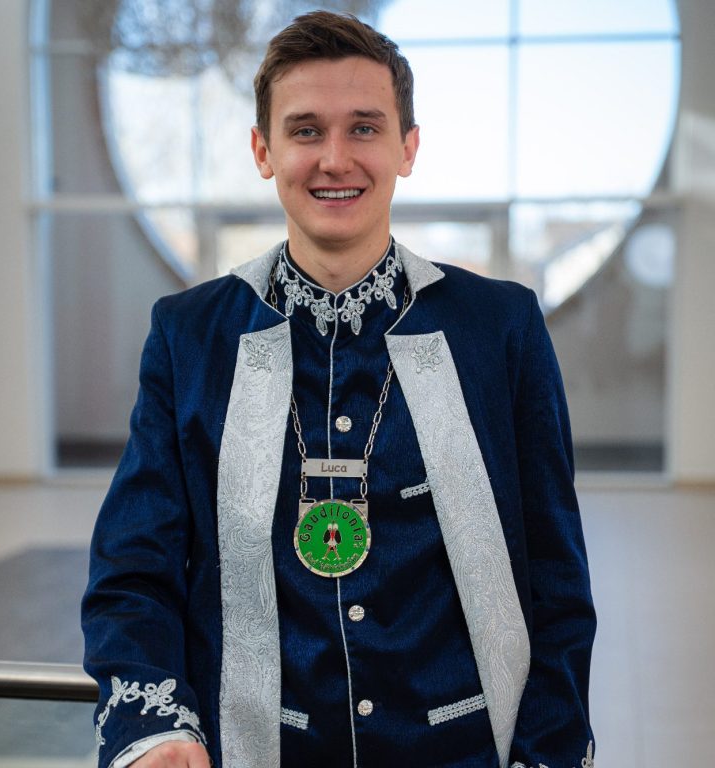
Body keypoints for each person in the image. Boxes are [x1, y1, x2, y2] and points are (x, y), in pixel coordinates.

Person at [82, 10, 596, 768]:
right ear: (263, 151)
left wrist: (544, 755)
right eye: (305, 130)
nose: (334, 159)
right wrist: (157, 730)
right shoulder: (189, 337)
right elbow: (133, 572)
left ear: (407, 147)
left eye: (363, 128)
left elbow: (558, 582)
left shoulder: (500, 327)